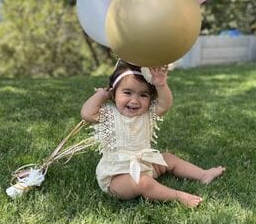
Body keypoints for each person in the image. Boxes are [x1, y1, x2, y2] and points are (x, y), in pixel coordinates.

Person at [81, 60, 225, 207]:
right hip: (117, 177)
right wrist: (100, 96)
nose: (134, 100)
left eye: (143, 95)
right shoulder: (109, 116)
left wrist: (160, 85)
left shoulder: (147, 114)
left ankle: (203, 174)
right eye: (127, 92)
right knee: (143, 182)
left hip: (146, 164)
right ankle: (178, 196)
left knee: (168, 158)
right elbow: (86, 114)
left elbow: (165, 104)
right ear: (113, 94)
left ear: (150, 99)